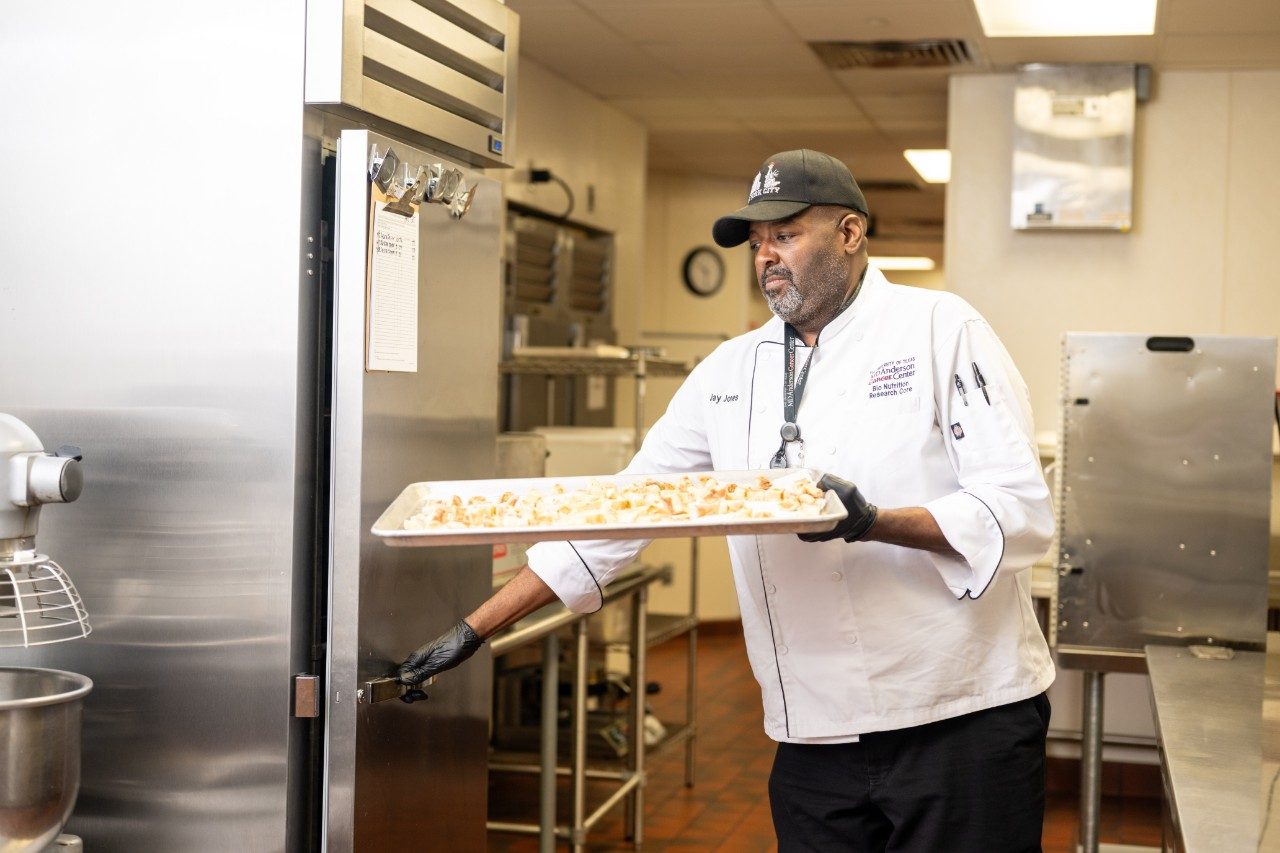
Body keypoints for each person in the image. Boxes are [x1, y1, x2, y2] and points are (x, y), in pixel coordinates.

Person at [398, 149, 1056, 852]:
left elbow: (1017, 508)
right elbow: (628, 508)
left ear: (851, 233)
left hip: (958, 715)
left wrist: (873, 522)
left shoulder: (939, 329)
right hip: (814, 732)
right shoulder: (728, 372)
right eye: (756, 242)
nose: (767, 257)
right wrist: (474, 630)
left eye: (786, 235)